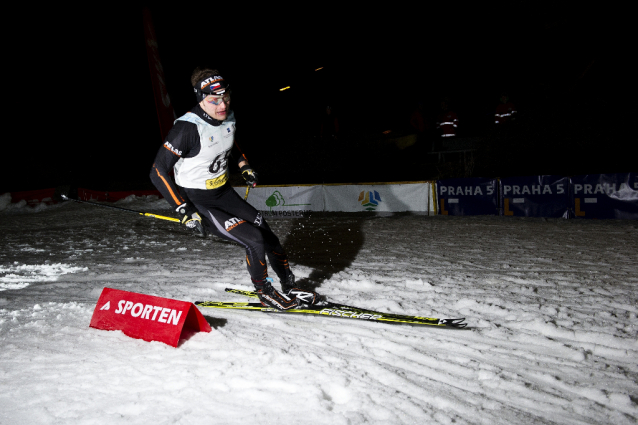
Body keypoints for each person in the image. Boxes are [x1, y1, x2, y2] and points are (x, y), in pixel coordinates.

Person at [149, 67, 317, 310]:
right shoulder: (186, 129)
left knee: (268, 235)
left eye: (226, 98)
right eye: (214, 100)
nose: (222, 106)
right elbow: (157, 171)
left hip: (224, 193)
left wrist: (243, 165)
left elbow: (229, 143)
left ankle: (289, 286)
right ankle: (264, 291)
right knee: (254, 239)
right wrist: (182, 208)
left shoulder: (227, 116)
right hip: (199, 201)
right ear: (200, 99)